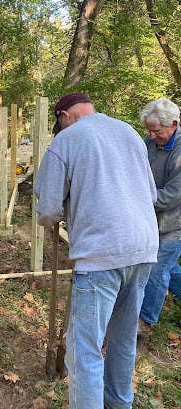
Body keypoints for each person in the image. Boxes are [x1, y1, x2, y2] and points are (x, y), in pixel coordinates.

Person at [34, 92, 159, 409]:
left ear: (64, 115)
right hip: (143, 249)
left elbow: (48, 209)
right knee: (122, 339)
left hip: (101, 254)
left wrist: (58, 210)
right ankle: (119, 404)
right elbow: (152, 194)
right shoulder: (129, 132)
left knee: (85, 349)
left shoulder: (66, 140)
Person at [138, 98, 181, 334]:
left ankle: (146, 321)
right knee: (170, 268)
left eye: (156, 131)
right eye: (149, 132)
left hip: (175, 223)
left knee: (156, 270)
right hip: (153, 219)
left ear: (173, 124)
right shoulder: (151, 142)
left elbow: (173, 195)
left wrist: (139, 200)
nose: (152, 137)